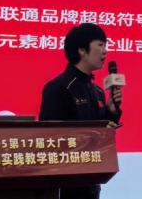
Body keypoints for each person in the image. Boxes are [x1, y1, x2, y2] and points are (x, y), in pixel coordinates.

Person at [39, 23, 122, 199]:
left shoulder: (97, 91)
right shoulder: (58, 88)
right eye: (100, 45)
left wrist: (111, 112)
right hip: (65, 186)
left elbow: (101, 129)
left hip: (91, 183)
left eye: (106, 45)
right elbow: (49, 141)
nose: (105, 51)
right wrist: (94, 134)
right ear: (82, 50)